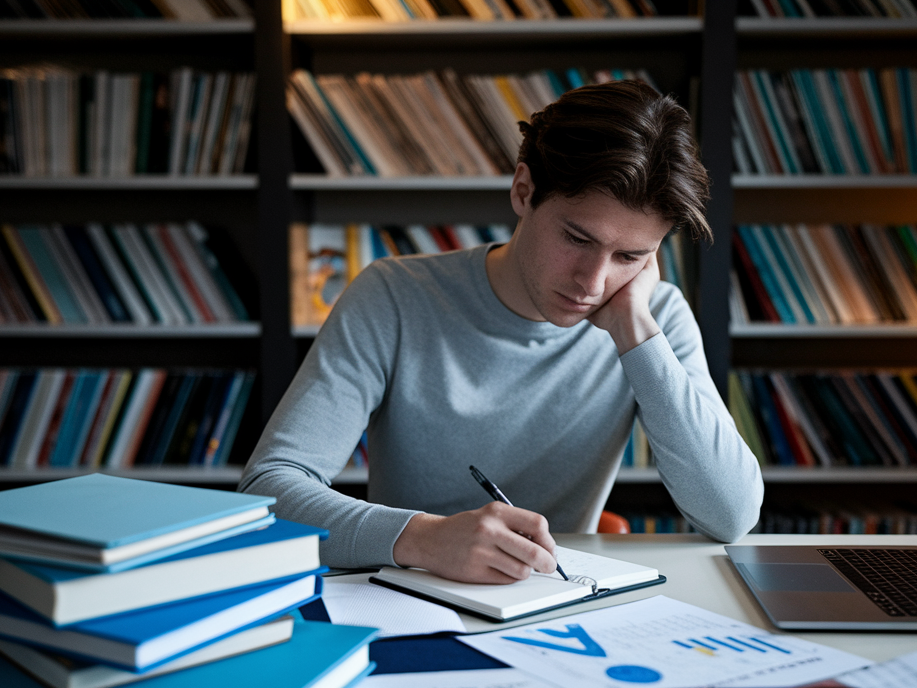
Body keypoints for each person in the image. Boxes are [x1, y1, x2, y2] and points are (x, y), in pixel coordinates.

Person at [240, 79, 763, 583]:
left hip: (558, 605)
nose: (594, 282)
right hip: (407, 599)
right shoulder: (393, 296)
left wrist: (634, 333)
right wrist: (422, 539)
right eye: (577, 238)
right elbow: (271, 490)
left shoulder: (655, 319)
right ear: (523, 190)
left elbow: (731, 515)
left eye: (630, 256)